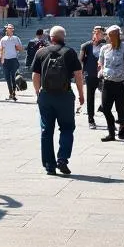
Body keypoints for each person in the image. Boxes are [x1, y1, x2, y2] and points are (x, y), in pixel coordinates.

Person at [31, 24, 84, 175]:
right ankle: (62, 159)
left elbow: (35, 75)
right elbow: (78, 74)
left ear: (51, 38)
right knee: (67, 128)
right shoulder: (69, 52)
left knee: (46, 130)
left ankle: (49, 165)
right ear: (63, 38)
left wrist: (38, 92)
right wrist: (81, 94)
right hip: (65, 96)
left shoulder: (41, 52)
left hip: (46, 96)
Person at [97, 24, 124, 142]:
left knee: (120, 108)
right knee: (106, 108)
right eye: (108, 35)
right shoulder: (104, 48)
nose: (109, 37)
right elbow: (101, 63)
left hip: (121, 83)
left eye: (111, 35)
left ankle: (123, 128)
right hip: (107, 82)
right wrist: (102, 70)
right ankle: (111, 132)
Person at [80, 24, 106, 130]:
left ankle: (103, 107)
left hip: (104, 75)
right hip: (90, 74)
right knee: (90, 98)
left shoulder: (107, 45)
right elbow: (81, 60)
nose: (97, 33)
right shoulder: (86, 45)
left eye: (100, 31)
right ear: (93, 32)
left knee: (107, 95)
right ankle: (91, 120)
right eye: (95, 31)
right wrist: (80, 74)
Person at [0, 23, 24, 101]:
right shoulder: (3, 39)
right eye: (8, 29)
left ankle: (13, 93)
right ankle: (11, 93)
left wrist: (17, 47)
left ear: (12, 30)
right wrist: (1, 59)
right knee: (7, 78)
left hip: (13, 59)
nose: (9, 30)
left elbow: (20, 49)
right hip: (5, 60)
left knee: (13, 77)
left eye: (10, 29)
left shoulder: (16, 38)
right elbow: (1, 49)